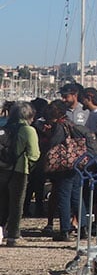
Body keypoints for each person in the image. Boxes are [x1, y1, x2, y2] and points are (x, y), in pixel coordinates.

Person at [42, 101, 90, 242]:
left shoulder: (59, 126)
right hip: (76, 164)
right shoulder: (71, 123)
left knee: (63, 197)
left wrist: (47, 135)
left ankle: (65, 230)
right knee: (76, 196)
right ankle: (83, 227)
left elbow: (53, 145)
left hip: (64, 166)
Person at [0, 102, 39, 246]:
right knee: (17, 203)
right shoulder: (29, 130)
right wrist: (29, 165)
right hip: (19, 169)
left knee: (2, 201)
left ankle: (0, 231)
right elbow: (34, 154)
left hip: (2, 168)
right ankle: (13, 235)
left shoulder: (4, 128)